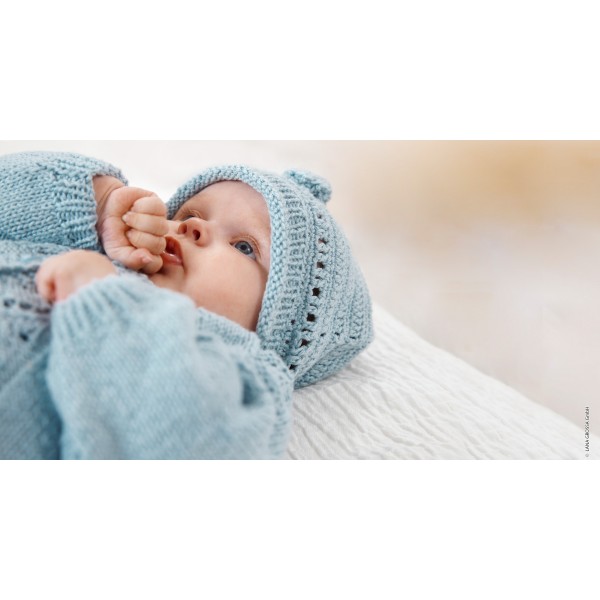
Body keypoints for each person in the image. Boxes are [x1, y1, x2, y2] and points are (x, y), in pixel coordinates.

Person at [0, 151, 373, 459]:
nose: (192, 228)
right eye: (190, 215)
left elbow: (187, 437)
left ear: (279, 322)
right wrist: (99, 205)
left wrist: (105, 301)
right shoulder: (93, 248)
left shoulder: (240, 371)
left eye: (244, 247)